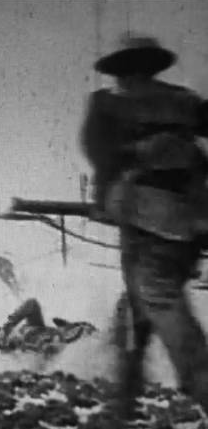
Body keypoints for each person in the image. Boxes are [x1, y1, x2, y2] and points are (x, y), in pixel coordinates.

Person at [80, 32, 208, 421]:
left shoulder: (107, 104)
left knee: (161, 304)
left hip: (144, 223)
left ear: (121, 70)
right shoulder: (186, 102)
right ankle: (122, 407)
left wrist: (111, 190)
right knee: (134, 313)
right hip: (188, 225)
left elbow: (98, 152)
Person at [0, 298, 97, 356]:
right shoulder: (19, 348)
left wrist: (7, 327)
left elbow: (32, 303)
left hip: (50, 337)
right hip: (46, 338)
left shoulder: (31, 328)